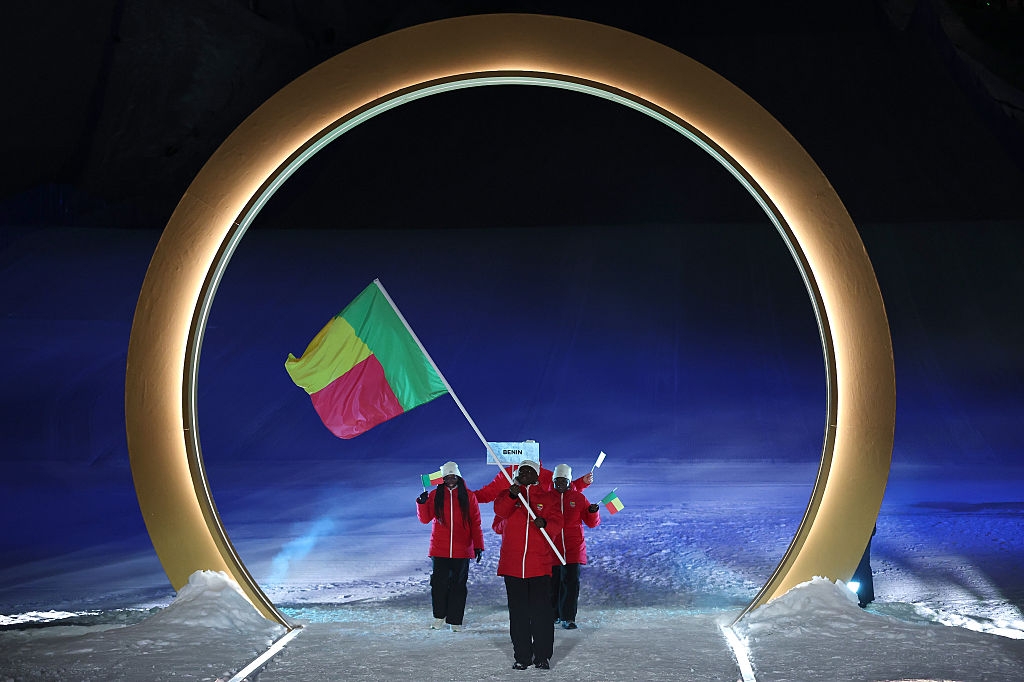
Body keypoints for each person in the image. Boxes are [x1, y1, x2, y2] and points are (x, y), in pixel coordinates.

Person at [493, 459, 564, 670]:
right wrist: (512, 496)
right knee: (519, 613)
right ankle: (522, 656)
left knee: (542, 613)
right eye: (520, 471)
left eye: (528, 471)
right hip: (513, 566)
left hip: (539, 566)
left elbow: (558, 522)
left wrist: (546, 524)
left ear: (536, 475)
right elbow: (500, 513)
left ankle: (542, 655)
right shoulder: (508, 495)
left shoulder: (548, 498)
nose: (523, 474)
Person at [416, 461, 484, 632]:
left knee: (458, 586)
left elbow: (475, 522)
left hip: (462, 549)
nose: (450, 479)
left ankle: (455, 620)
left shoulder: (468, 496)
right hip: (440, 549)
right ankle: (439, 616)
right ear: (442, 479)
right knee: (438, 585)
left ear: (459, 477)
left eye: (453, 476)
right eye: (447, 477)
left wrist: (478, 545)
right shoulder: (434, 495)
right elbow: (424, 519)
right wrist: (422, 503)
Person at [549, 463, 600, 629]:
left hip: (573, 549)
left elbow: (592, 523)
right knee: (553, 583)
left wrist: (593, 512)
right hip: (552, 548)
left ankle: (568, 617)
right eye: (557, 481)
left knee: (571, 583)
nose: (560, 484)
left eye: (563, 481)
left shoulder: (578, 498)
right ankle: (553, 615)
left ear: (569, 481)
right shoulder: (547, 498)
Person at [475, 457, 592, 504]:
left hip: (539, 523)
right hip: (515, 525)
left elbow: (564, 490)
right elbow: (487, 494)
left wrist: (582, 483)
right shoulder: (507, 474)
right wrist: (466, 496)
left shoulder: (545, 475)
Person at [851, 524, 877, 607]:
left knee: (860, 564)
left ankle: (862, 598)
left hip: (860, 529)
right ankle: (864, 598)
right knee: (861, 564)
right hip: (862, 528)